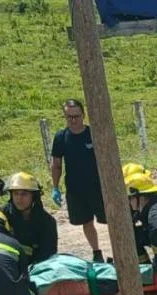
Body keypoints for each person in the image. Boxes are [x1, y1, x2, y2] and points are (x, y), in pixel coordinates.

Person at [50, 98, 105, 263]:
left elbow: (106, 160)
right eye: (69, 117)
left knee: (112, 220)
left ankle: (121, 249)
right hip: (76, 190)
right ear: (65, 117)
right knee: (86, 222)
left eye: (76, 116)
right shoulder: (60, 137)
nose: (73, 120)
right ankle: (97, 252)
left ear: (83, 115)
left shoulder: (93, 134)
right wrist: (55, 187)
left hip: (99, 188)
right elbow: (57, 164)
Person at [1, 172, 58, 265]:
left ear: (34, 196)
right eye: (16, 194)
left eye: (24, 194)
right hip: (7, 265)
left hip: (36, 268)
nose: (19, 198)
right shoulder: (1, 216)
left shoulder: (47, 222)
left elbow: (48, 254)